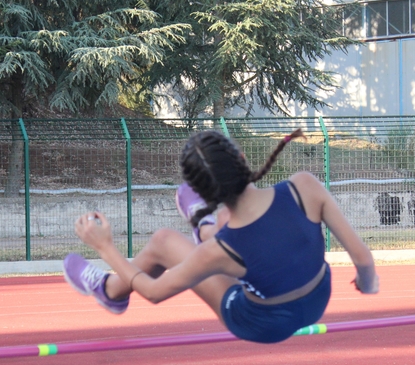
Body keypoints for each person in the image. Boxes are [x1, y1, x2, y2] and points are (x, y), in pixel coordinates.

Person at [63, 129, 379, 345]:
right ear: (242, 158)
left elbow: (155, 291)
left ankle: (110, 290)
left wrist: (106, 247)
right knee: (231, 237)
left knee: (163, 241)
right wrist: (368, 286)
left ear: (207, 192)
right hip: (318, 298)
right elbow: (363, 259)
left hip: (262, 322)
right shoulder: (304, 186)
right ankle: (203, 223)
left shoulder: (222, 250)